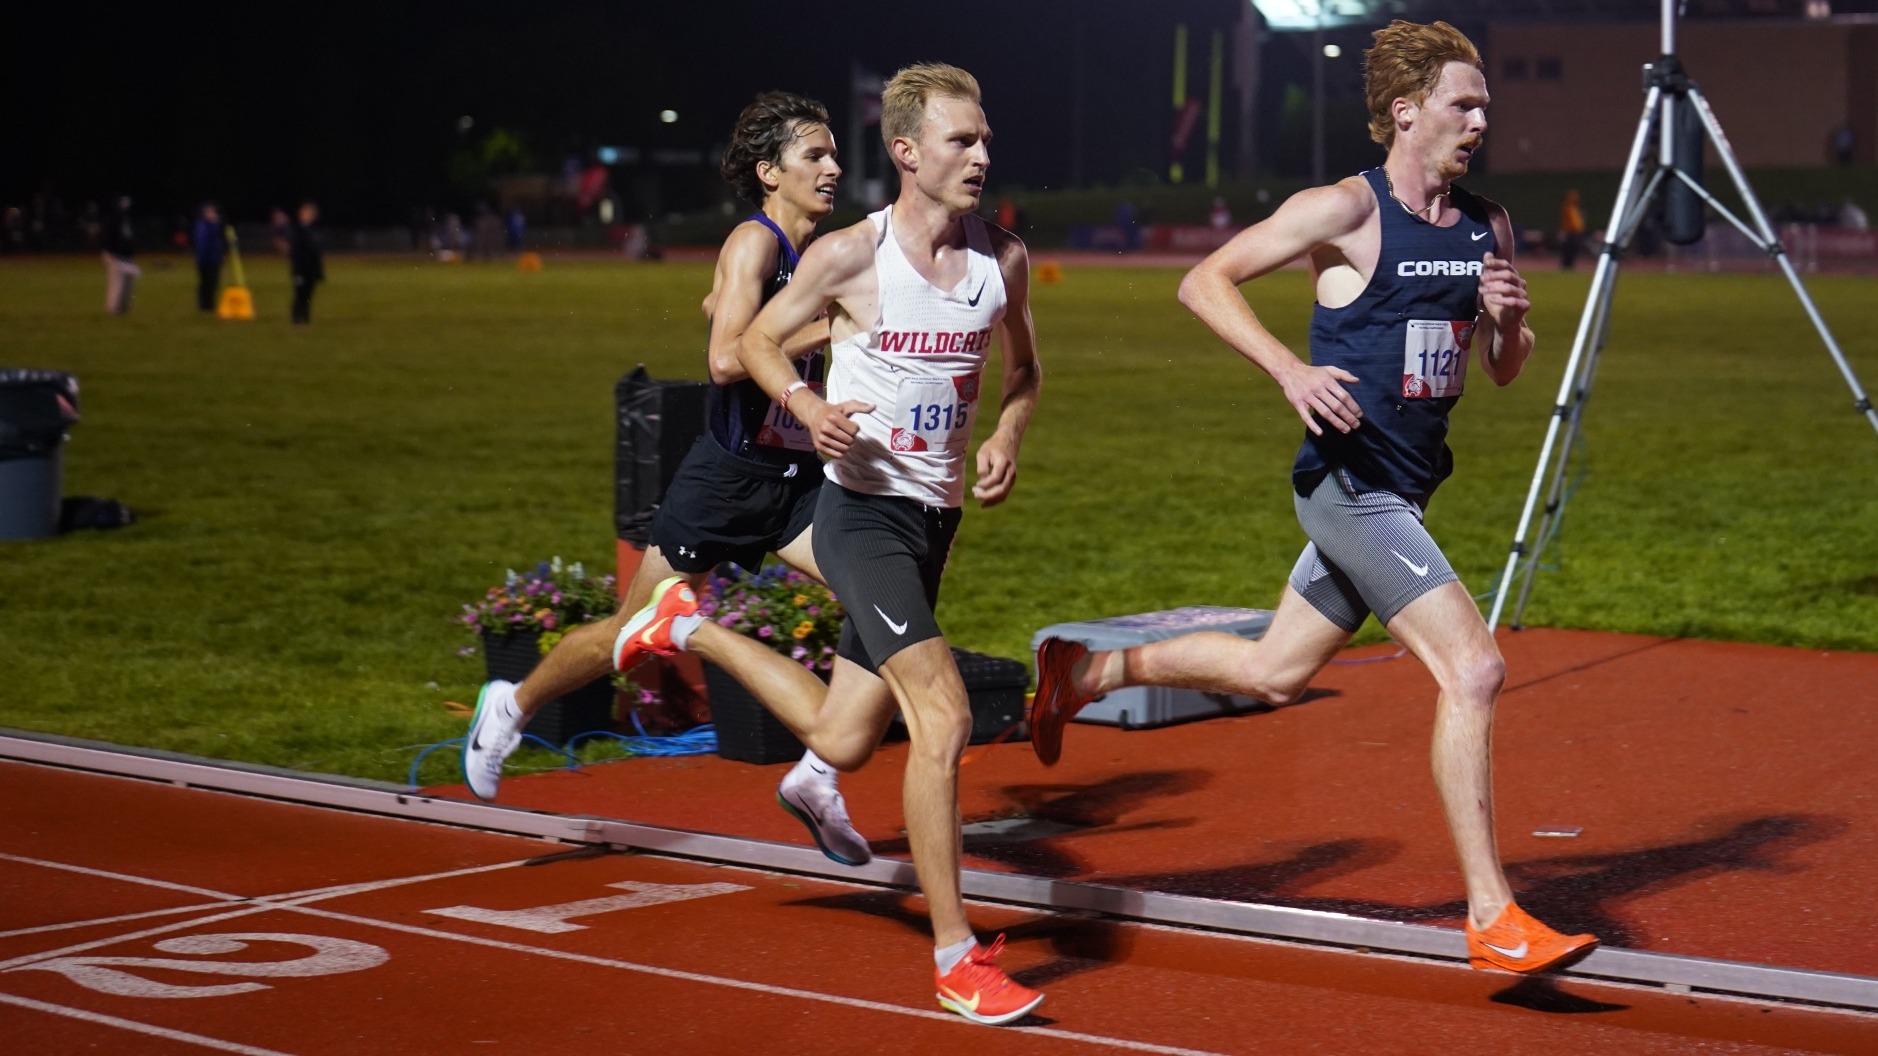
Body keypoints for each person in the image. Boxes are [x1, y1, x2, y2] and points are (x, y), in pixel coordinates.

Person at [1029, 20, 1598, 978]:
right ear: (1407, 111)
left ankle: (1083, 674)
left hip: (1408, 488)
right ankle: (1492, 915)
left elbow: (1501, 372)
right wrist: (1291, 369)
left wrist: (1509, 327)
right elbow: (1202, 282)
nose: (1481, 120)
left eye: (1485, 105)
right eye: (1465, 103)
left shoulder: (1487, 224)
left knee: (1274, 674)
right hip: (1349, 484)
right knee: (1474, 670)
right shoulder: (1342, 209)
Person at [631, 63, 1044, 1025]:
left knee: (844, 737)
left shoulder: (1004, 260)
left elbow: (1027, 372)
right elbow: (753, 346)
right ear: (905, 152)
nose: (981, 156)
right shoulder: (852, 257)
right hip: (863, 517)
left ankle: (686, 626)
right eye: (960, 141)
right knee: (940, 717)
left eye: (985, 139)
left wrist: (1007, 434)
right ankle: (954, 959)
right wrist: (809, 406)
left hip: (935, 522)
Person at [461, 92, 876, 868]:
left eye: (832, 155)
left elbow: (726, 305)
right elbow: (725, 359)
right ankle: (510, 705)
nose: (835, 167)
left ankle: (819, 774)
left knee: (889, 600)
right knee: (630, 632)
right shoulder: (753, 242)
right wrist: (834, 324)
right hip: (726, 480)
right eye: (815, 155)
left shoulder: (814, 249)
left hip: (798, 483)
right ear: (769, 171)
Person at [100, 195, 139, 315]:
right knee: (117, 282)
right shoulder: (112, 219)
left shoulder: (126, 219)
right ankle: (113, 309)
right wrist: (111, 253)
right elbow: (107, 238)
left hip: (126, 256)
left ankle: (123, 307)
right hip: (115, 255)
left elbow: (128, 238)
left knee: (128, 283)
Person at [288, 202, 324, 325]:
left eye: (311, 213)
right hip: (301, 271)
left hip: (311, 271)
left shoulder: (313, 231)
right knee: (300, 295)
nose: (309, 215)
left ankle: (305, 318)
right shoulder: (297, 231)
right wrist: (297, 272)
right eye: (306, 213)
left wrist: (319, 272)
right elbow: (296, 254)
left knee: (308, 296)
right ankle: (296, 319)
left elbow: (316, 254)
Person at [192, 202, 228, 312]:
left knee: (213, 282)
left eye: (213, 212)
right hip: (205, 259)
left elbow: (220, 241)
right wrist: (199, 258)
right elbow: (202, 243)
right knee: (206, 283)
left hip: (215, 259)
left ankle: (209, 304)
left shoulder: (215, 225)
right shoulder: (202, 226)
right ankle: (204, 305)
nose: (212, 214)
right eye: (209, 212)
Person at [1558, 188, 1586, 271]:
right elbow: (1566, 222)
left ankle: (1570, 266)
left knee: (1573, 251)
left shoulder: (1574, 208)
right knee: (1568, 251)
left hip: (1575, 233)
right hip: (1570, 233)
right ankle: (1566, 266)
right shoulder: (1567, 208)